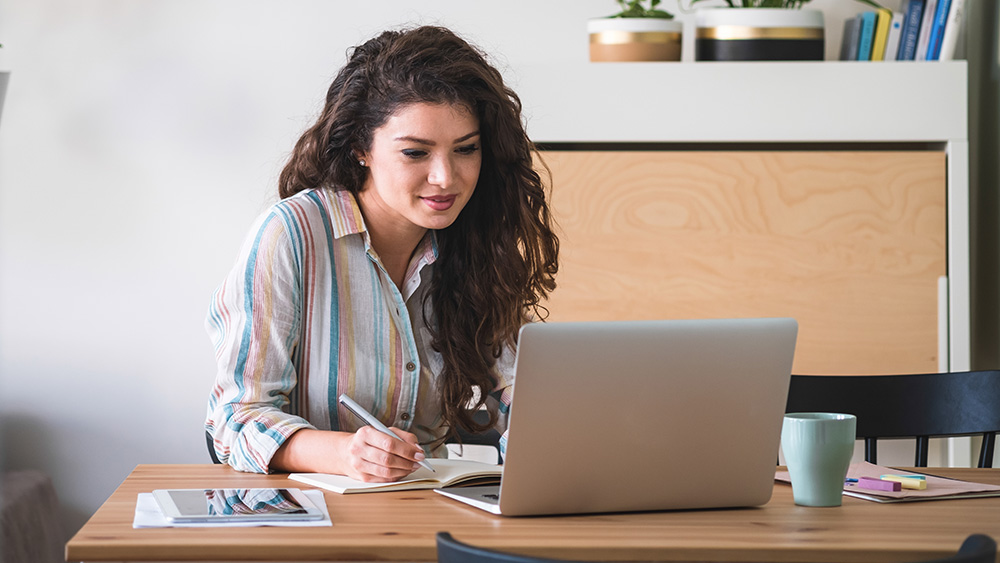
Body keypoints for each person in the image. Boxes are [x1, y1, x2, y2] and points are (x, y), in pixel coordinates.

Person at [204, 25, 559, 481]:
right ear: (360, 149)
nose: (445, 178)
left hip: (424, 504)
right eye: (415, 153)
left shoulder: (475, 239)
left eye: (466, 150)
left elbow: (520, 393)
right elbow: (237, 418)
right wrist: (346, 453)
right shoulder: (292, 233)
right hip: (307, 514)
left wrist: (557, 430)